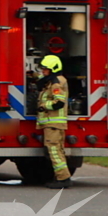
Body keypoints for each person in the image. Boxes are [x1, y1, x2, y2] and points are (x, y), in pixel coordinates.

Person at [36, 54, 71, 189]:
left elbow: (59, 102)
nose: (43, 71)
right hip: (53, 123)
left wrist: (43, 105)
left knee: (54, 150)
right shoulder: (53, 80)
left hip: (53, 123)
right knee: (57, 150)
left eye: (46, 69)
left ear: (53, 69)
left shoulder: (56, 82)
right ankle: (61, 177)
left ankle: (63, 178)